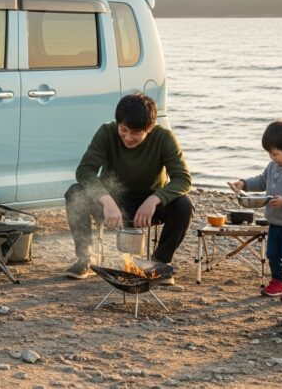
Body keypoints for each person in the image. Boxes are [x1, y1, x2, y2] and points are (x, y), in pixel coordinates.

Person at [64, 93, 193, 280]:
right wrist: (106, 199)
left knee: (184, 204)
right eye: (123, 130)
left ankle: (159, 263)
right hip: (112, 202)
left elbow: (183, 179)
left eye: (135, 133)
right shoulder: (107, 132)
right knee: (75, 193)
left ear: (149, 128)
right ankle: (86, 258)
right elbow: (85, 171)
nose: (127, 137)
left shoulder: (164, 138)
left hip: (150, 206)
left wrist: (154, 200)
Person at [227, 120, 282, 303]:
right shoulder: (273, 166)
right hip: (275, 221)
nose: (271, 157)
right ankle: (278, 282)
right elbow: (262, 180)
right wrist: (243, 184)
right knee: (273, 254)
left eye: (275, 153)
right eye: (269, 153)